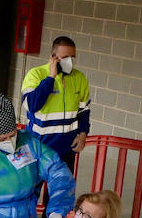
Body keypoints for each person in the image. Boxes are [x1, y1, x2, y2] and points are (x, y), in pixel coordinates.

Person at [20, 35, 90, 171]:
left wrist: (83, 134)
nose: (70, 61)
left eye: (73, 57)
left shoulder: (79, 78)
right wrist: (50, 78)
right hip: (39, 145)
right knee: (32, 189)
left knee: (61, 190)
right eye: (65, 58)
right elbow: (32, 105)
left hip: (67, 147)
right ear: (53, 57)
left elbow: (83, 111)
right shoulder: (36, 74)